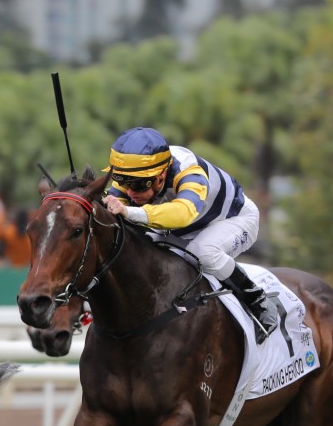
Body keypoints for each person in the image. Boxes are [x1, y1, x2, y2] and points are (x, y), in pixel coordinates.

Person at [102, 127, 278, 344]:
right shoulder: (137, 171)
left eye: (138, 185)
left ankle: (257, 299)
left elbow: (184, 213)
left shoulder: (188, 170)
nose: (130, 192)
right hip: (183, 228)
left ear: (161, 175)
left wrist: (130, 211)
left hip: (233, 219)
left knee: (203, 252)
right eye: (124, 182)